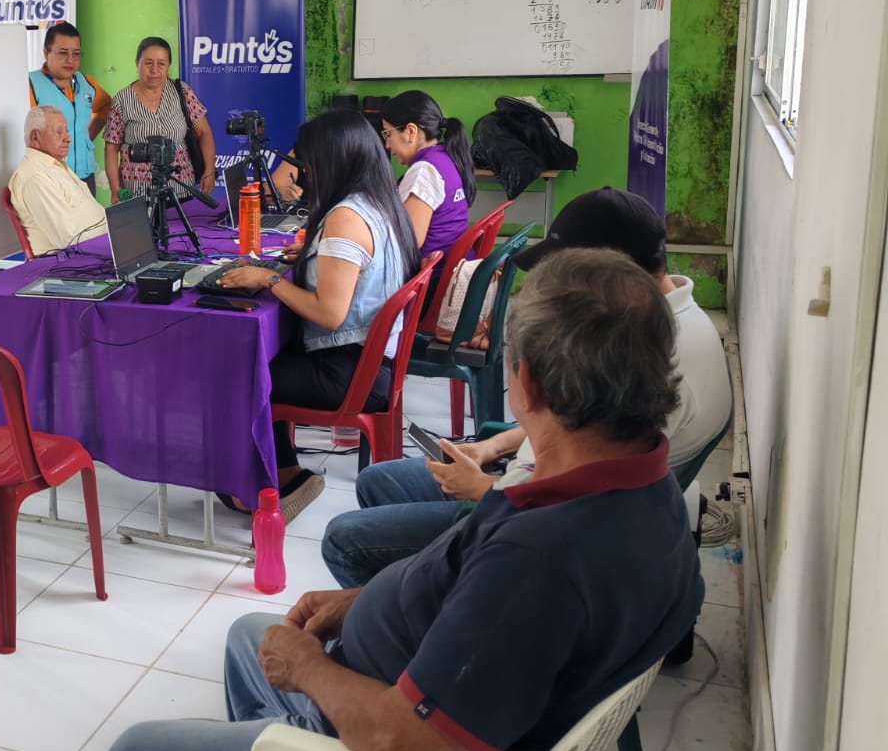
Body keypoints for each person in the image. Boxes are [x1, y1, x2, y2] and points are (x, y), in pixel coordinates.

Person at [105, 248, 704, 751]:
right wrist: (361, 603)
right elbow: (480, 609)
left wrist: (311, 671)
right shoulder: (646, 487)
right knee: (248, 638)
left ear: (528, 385)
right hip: (412, 699)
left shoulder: (539, 563)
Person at [321, 185, 734, 595]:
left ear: (610, 273)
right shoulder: (661, 325)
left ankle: (416, 608)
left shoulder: (656, 360)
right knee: (377, 481)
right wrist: (491, 447)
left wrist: (482, 489)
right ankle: (407, 593)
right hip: (523, 480)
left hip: (528, 517)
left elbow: (581, 502)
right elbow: (582, 423)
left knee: (344, 540)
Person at [218, 110, 417, 521]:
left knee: (239, 373)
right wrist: (314, 255)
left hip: (347, 373)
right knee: (260, 358)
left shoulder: (346, 217)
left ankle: (261, 489)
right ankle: (286, 472)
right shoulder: (378, 202)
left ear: (331, 161)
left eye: (307, 165)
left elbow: (329, 314)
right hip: (372, 363)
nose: (304, 173)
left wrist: (268, 278)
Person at [104, 37, 216, 198]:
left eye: (161, 63)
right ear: (137, 64)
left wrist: (209, 171)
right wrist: (116, 191)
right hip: (137, 192)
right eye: (148, 63)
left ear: (169, 65)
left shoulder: (182, 92)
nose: (154, 70)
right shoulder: (121, 100)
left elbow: (204, 132)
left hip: (180, 188)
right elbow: (111, 148)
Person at [380, 90, 475, 260]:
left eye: (388, 134)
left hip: (433, 273)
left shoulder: (424, 171)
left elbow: (408, 244)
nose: (387, 145)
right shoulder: (445, 157)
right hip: (449, 266)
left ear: (411, 131)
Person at [6, 106, 108, 254]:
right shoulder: (35, 178)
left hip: (99, 246)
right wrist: (111, 242)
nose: (68, 138)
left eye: (66, 131)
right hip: (76, 259)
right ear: (35, 137)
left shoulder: (54, 165)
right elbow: (70, 240)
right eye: (59, 132)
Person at [27, 21, 111, 193]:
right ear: (46, 53)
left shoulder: (85, 82)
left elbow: (106, 105)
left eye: (76, 53)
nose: (70, 60)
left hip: (85, 176)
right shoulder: (31, 84)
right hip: (51, 179)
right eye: (63, 53)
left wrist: (87, 136)